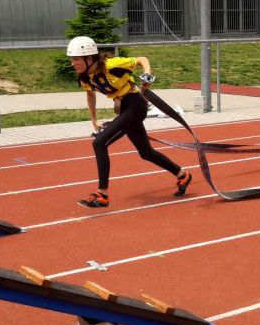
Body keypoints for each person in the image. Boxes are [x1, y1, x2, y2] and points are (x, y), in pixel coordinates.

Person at [67, 36, 192, 208]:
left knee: (99, 143)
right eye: (71, 59)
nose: (72, 63)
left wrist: (147, 76)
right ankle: (182, 175)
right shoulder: (84, 77)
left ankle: (102, 195)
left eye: (76, 59)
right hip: (125, 108)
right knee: (146, 152)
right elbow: (90, 94)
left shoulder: (112, 65)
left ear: (89, 58)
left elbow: (142, 59)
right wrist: (93, 120)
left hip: (136, 104)